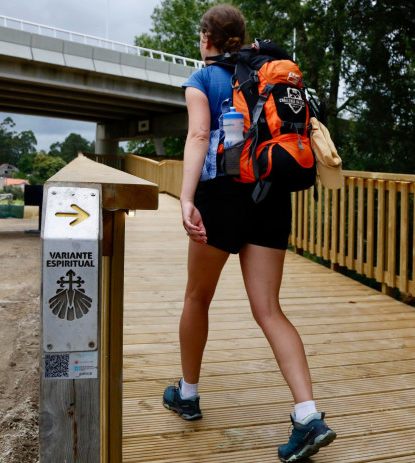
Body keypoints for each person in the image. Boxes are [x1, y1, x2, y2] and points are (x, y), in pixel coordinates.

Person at [160, 5, 336, 462]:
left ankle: (189, 393)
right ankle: (307, 415)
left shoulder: (203, 80)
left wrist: (185, 198)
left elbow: (199, 137)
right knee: (270, 310)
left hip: (221, 197)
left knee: (197, 298)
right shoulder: (265, 73)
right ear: (241, 38)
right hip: (271, 196)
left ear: (206, 39)